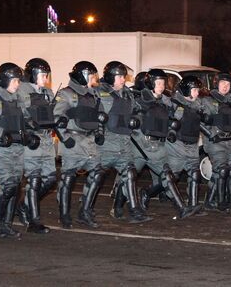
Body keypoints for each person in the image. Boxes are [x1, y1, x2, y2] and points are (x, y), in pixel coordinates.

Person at [0, 63, 37, 239]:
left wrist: (30, 134)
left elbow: (26, 121)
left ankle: (7, 224)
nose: (18, 84)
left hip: (17, 148)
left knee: (16, 187)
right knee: (9, 185)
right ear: (4, 80)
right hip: (0, 149)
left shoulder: (17, 100)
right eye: (15, 80)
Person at [136, 69, 200, 219]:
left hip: (181, 144)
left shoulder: (168, 101)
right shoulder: (145, 100)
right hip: (148, 145)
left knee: (188, 174)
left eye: (163, 83)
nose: (162, 86)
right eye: (158, 83)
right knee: (170, 176)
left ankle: (191, 206)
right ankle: (144, 194)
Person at [53, 61, 107, 229]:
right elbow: (56, 118)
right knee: (68, 178)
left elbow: (100, 116)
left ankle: (84, 211)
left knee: (97, 173)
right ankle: (64, 214)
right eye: (91, 76)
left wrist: (99, 134)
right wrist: (64, 138)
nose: (94, 79)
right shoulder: (67, 94)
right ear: (83, 76)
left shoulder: (95, 95)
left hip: (90, 141)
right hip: (73, 140)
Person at [98, 61, 151, 223]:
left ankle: (134, 210)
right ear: (110, 77)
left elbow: (137, 111)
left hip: (124, 141)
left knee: (130, 173)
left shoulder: (127, 93)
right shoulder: (99, 93)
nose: (123, 80)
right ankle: (84, 208)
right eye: (120, 77)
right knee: (96, 176)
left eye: (124, 77)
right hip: (106, 143)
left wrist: (136, 119)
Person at [15, 58, 59, 233]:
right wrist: (27, 127)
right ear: (32, 75)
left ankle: (24, 206)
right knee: (34, 180)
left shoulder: (47, 92)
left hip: (47, 140)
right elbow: (16, 115)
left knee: (50, 179)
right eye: (42, 74)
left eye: (47, 75)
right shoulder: (21, 91)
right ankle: (33, 221)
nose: (46, 78)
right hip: (31, 141)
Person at [200, 72, 231, 212]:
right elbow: (202, 122)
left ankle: (211, 201)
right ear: (216, 84)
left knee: (226, 172)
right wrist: (211, 135)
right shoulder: (208, 100)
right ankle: (221, 202)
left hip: (230, 140)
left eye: (228, 84)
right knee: (222, 170)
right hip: (216, 140)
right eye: (222, 83)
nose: (225, 86)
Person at [166, 76, 206, 214]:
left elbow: (200, 122)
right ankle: (147, 193)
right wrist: (171, 133)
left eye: (197, 90)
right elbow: (173, 122)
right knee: (172, 177)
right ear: (186, 90)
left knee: (195, 174)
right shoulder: (178, 104)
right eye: (194, 90)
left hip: (192, 144)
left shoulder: (196, 104)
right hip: (178, 144)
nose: (197, 93)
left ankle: (193, 205)